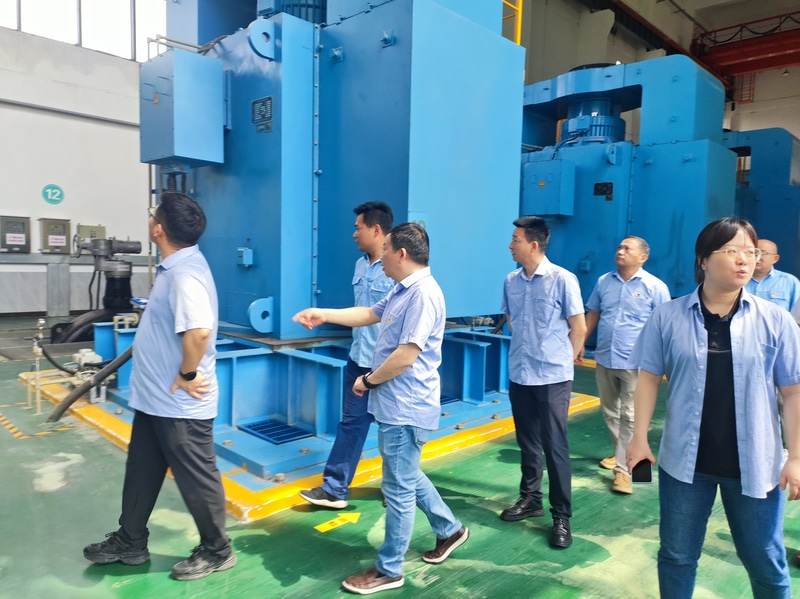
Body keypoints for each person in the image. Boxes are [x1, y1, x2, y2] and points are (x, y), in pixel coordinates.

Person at [627, 217, 800, 598]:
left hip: (756, 464)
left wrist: (797, 457)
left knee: (765, 560)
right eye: (732, 250)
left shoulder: (775, 320)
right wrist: (638, 440)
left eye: (751, 252)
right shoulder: (667, 316)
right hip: (685, 465)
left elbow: (793, 392)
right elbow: (648, 379)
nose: (745, 260)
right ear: (703, 259)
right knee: (676, 556)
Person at [293, 223, 468, 595]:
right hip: (394, 403)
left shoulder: (423, 295)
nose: (381, 255)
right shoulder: (402, 290)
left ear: (401, 254)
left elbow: (406, 355)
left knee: (398, 489)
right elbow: (368, 315)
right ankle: (450, 529)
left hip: (405, 406)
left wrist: (367, 381)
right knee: (406, 474)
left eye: (386, 249)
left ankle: (389, 569)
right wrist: (323, 313)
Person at [83, 192, 236, 581]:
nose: (151, 218)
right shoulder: (176, 267)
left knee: (196, 477)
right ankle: (130, 540)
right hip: (155, 400)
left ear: (158, 229)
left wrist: (187, 374)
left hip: (180, 404)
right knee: (142, 470)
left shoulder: (185, 275)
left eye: (153, 214)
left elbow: (198, 333)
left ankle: (218, 550)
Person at [299, 201, 394, 509]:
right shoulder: (360, 265)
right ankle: (334, 488)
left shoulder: (396, 265)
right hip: (358, 359)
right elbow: (363, 313)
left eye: (358, 228)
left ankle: (397, 488)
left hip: (387, 364)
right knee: (351, 423)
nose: (354, 233)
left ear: (376, 230)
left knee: (393, 429)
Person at [500, 215, 587, 549]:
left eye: (516, 240)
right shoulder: (511, 280)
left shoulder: (563, 279)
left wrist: (565, 360)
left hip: (552, 377)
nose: (510, 245)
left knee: (555, 446)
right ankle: (530, 498)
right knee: (527, 441)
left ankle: (561, 516)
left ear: (533, 244)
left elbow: (578, 327)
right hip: (520, 373)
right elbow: (511, 319)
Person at [580, 237, 670, 494]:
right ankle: (624, 452)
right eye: (619, 247)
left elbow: (664, 325)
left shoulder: (655, 287)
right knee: (610, 412)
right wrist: (580, 342)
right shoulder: (603, 282)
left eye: (627, 248)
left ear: (643, 257)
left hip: (637, 362)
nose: (620, 251)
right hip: (605, 357)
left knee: (629, 416)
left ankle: (623, 471)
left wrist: (661, 360)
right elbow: (594, 313)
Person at [745, 239, 800, 316]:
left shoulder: (790, 282)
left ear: (775, 259)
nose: (757, 257)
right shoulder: (738, 279)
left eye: (763, 253)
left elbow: (797, 317)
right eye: (754, 253)